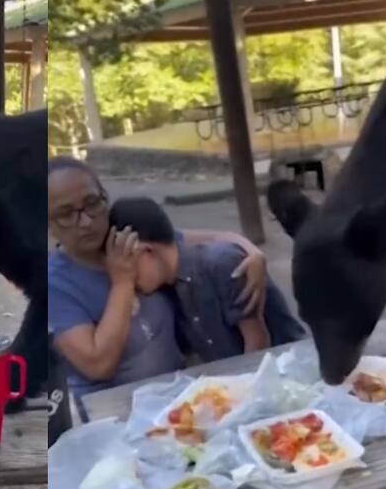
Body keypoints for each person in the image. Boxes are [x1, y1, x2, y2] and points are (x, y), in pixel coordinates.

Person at [47, 156, 268, 412]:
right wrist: (122, 283)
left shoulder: (125, 236)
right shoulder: (56, 284)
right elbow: (98, 364)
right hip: (112, 412)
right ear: (50, 225)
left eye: (92, 204)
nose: (85, 221)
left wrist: (253, 253)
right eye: (66, 215)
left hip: (177, 398)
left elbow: (201, 241)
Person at [109, 196, 307, 360]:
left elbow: (258, 343)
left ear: (146, 250)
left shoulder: (221, 264)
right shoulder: (168, 288)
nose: (127, 277)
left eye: (127, 264)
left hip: (286, 369)